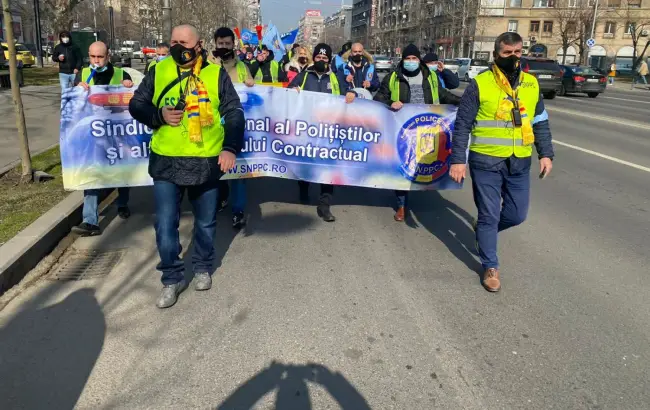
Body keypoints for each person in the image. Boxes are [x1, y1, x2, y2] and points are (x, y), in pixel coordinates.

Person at [128, 24, 245, 308]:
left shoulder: (215, 74)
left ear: (199, 44)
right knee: (165, 224)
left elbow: (234, 113)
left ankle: (203, 265)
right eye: (173, 42)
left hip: (205, 161)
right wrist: (157, 114)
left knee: (205, 222)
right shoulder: (159, 71)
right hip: (166, 161)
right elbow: (136, 105)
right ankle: (172, 278)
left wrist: (230, 148)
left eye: (184, 41)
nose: (178, 46)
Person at [448, 32, 554, 293]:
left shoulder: (531, 83)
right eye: (508, 53)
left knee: (517, 214)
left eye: (518, 52)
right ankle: (490, 266)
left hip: (519, 161)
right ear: (496, 55)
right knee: (488, 214)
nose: (513, 57)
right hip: (486, 161)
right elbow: (462, 124)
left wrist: (546, 153)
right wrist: (458, 160)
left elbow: (539, 121)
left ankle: (484, 229)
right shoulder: (480, 83)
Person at [374, 44, 461, 222]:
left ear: (419, 60)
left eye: (414, 58)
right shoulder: (392, 77)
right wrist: (391, 101)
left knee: (425, 164)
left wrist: (463, 102)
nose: (411, 62)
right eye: (408, 58)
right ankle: (401, 205)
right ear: (403, 60)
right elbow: (379, 97)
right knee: (403, 165)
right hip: (403, 128)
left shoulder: (430, 77)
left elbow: (443, 95)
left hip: (428, 129)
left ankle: (420, 190)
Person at [71, 41, 134, 236]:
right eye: (93, 57)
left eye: (100, 57)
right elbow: (71, 105)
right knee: (92, 174)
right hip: (92, 135)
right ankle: (90, 221)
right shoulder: (81, 75)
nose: (96, 61)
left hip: (116, 133)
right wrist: (76, 89)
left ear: (108, 56)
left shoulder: (121, 74)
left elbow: (131, 101)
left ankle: (122, 204)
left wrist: (128, 86)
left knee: (121, 170)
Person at [289, 43, 355, 222]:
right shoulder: (304, 76)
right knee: (305, 164)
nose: (321, 60)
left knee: (328, 168)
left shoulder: (335, 78)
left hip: (328, 132)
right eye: (318, 57)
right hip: (306, 131)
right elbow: (287, 95)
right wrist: (292, 91)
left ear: (329, 60)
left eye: (325, 58)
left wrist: (351, 94)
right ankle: (303, 187)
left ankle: (324, 205)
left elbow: (347, 94)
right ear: (314, 58)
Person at [210, 26, 254, 229]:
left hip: (236, 125)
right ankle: (220, 199)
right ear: (215, 44)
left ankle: (238, 210)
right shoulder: (206, 65)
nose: (224, 47)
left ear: (233, 45)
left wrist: (252, 83)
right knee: (215, 170)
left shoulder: (243, 67)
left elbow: (258, 97)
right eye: (221, 44)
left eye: (228, 44)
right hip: (212, 127)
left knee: (239, 172)